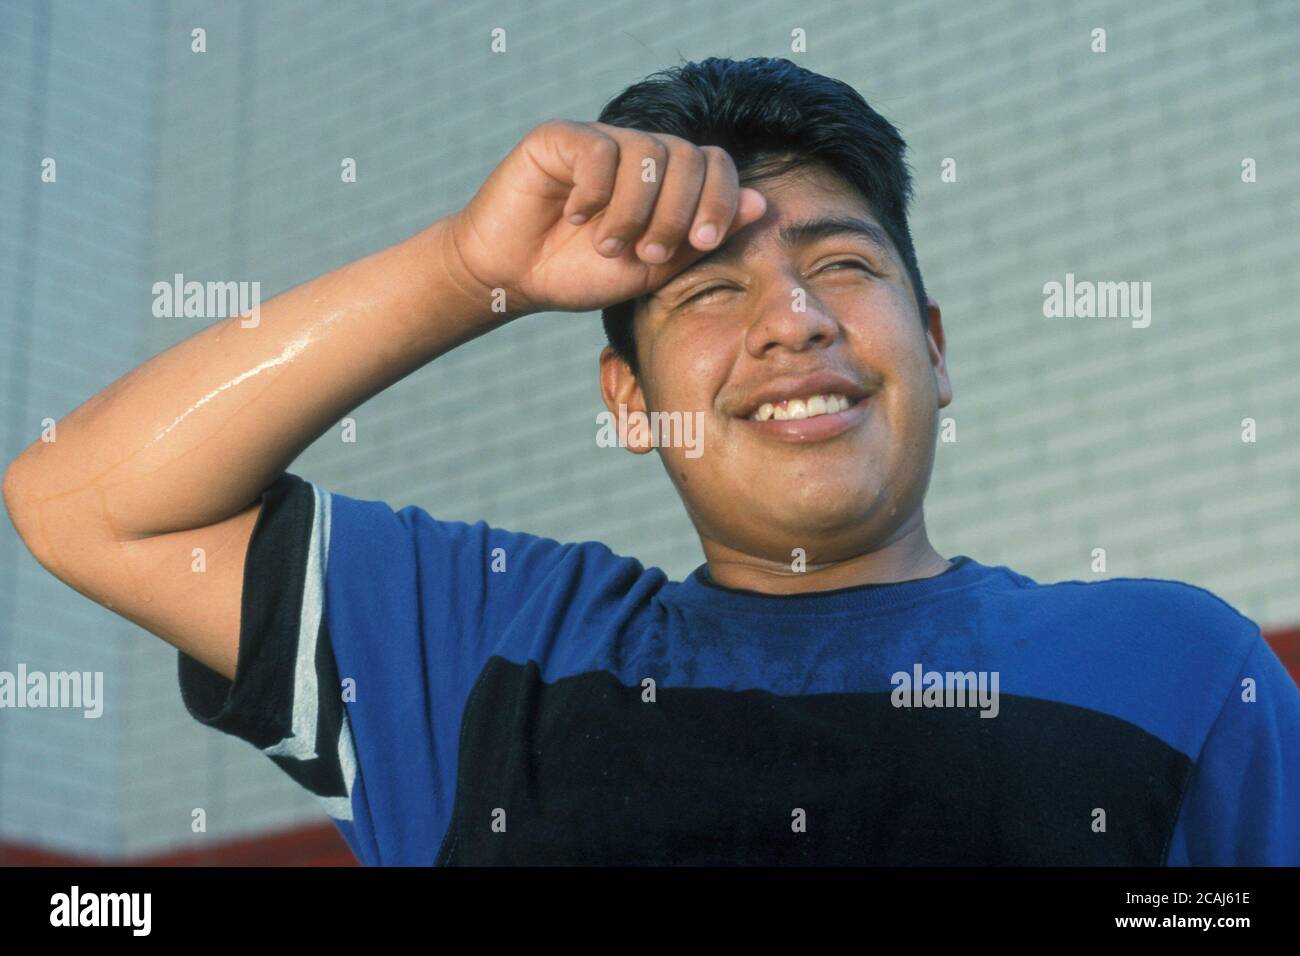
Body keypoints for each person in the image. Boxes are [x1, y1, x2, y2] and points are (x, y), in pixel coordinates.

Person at [5, 57, 1297, 866]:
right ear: (628, 402)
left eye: (843, 264)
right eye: (711, 292)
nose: (795, 320)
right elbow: (78, 503)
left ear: (937, 350)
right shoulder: (487, 653)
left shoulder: (1178, 668)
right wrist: (469, 270)